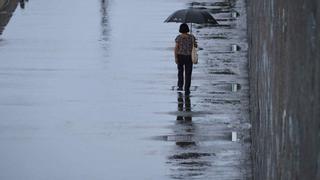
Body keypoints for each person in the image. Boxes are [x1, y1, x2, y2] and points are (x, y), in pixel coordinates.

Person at [174, 23, 197, 94]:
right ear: (187, 29)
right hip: (189, 57)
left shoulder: (178, 37)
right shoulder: (192, 37)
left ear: (180, 29)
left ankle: (180, 86)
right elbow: (195, 46)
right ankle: (187, 87)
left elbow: (176, 48)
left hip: (180, 56)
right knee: (188, 73)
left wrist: (175, 58)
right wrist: (193, 41)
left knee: (180, 72)